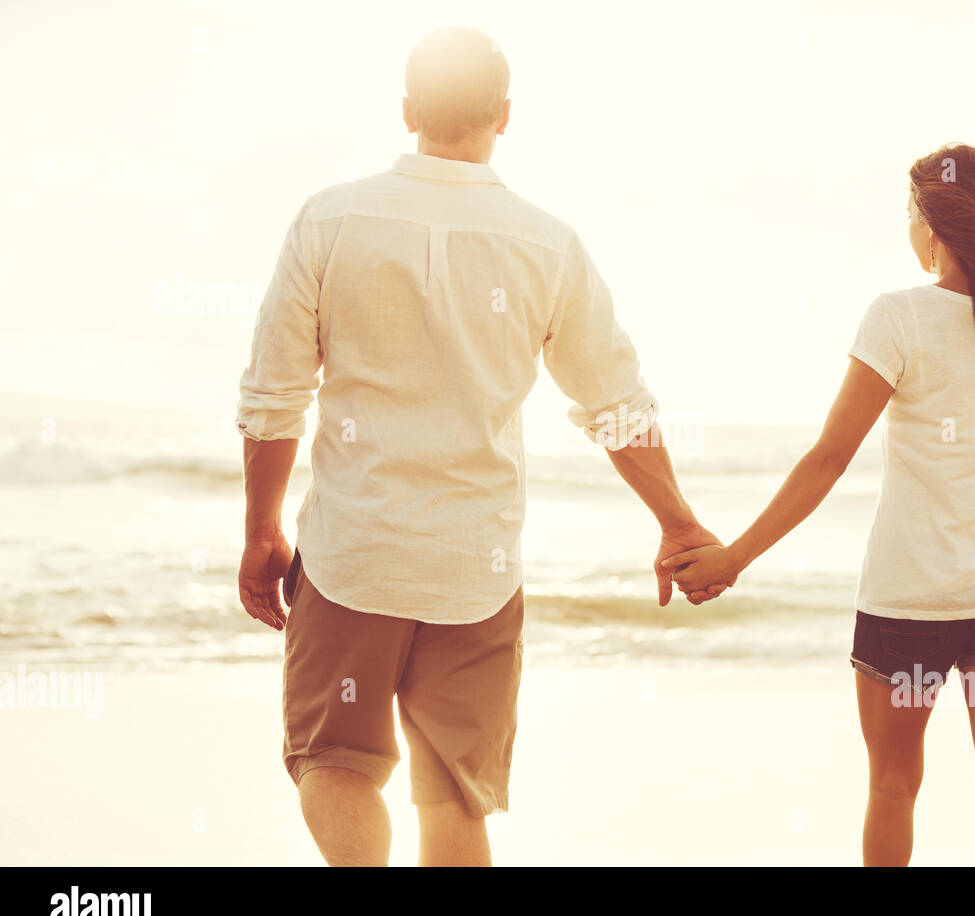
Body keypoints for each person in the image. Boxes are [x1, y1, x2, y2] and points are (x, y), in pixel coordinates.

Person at [235, 25, 723, 867]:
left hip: (354, 554)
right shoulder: (547, 243)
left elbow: (275, 398)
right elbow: (616, 404)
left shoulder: (331, 219)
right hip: (477, 568)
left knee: (335, 761)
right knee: (456, 794)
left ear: (406, 110)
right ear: (505, 115)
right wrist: (678, 521)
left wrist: (261, 532)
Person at [664, 144, 975, 866]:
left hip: (906, 604)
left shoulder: (899, 318)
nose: (909, 228)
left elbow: (829, 456)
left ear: (935, 225)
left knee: (892, 786)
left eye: (910, 213)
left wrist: (736, 556)